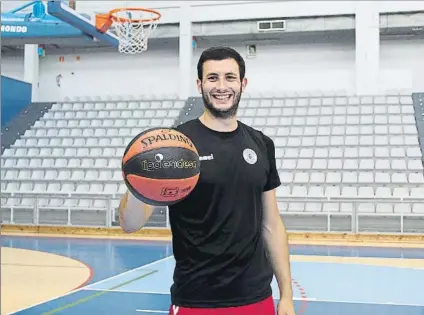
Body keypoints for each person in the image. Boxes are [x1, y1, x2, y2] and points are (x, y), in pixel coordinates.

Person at [119, 46, 296, 315]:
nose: (221, 86)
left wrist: (286, 296)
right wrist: (139, 173)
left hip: (256, 298)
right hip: (196, 300)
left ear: (243, 84)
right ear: (200, 84)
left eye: (230, 77)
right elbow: (131, 224)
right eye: (212, 78)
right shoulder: (177, 145)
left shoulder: (261, 144)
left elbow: (272, 225)